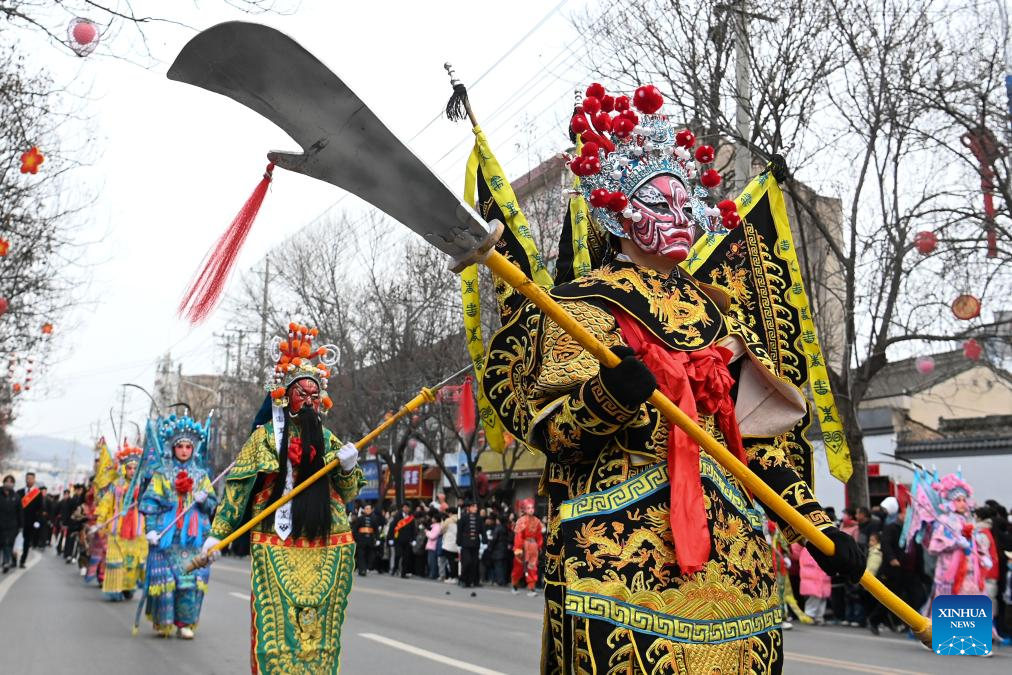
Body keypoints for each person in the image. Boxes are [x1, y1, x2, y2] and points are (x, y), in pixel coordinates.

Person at [480, 82, 865, 671]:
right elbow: (553, 433)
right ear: (621, 213)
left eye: (685, 204)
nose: (679, 216)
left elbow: (754, 442)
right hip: (619, 550)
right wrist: (608, 398)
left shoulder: (719, 315)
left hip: (733, 555)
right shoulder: (584, 306)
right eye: (660, 205)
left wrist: (813, 528)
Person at [202, 323, 364, 673]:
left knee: (319, 631)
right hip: (275, 540)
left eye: (313, 394)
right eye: (300, 393)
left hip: (326, 541)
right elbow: (238, 488)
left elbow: (349, 493)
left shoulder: (328, 437)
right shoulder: (264, 438)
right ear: (285, 395)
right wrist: (218, 533)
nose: (307, 400)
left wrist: (348, 468)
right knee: (278, 633)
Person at [139, 415, 217, 638]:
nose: (184, 450)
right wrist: (151, 530)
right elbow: (150, 503)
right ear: (173, 448)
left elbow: (212, 505)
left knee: (189, 582)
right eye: (180, 446)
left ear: (194, 449)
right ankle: (164, 622)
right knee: (166, 582)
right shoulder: (162, 475)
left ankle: (185, 623)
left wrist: (205, 500)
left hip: (194, 538)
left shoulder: (202, 476)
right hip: (166, 535)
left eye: (188, 446)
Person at [94, 442, 148, 601]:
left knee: (132, 564)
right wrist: (101, 519)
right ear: (124, 468)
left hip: (138, 530)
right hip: (118, 530)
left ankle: (128, 587)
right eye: (129, 468)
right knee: (117, 562)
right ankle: (114, 589)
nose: (132, 471)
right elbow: (106, 503)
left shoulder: (144, 486)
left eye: (134, 468)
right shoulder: (116, 486)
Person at [510, 499, 542, 596]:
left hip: (533, 547)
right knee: (518, 567)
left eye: (532, 507)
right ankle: (515, 585)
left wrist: (539, 546)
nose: (531, 509)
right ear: (524, 509)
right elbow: (518, 536)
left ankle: (532, 588)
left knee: (532, 567)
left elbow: (539, 536)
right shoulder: (521, 521)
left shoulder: (537, 521)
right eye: (528, 508)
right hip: (523, 546)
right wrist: (518, 549)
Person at [17, 473, 45, 567]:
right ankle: (13, 560)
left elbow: (40, 509)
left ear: (34, 480)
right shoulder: (19, 492)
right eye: (27, 478)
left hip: (30, 522)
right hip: (18, 521)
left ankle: (22, 561)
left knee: (26, 542)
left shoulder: (37, 494)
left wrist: (37, 521)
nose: (29, 480)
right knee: (15, 541)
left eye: (31, 478)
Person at [457, 500, 485, 588]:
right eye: (473, 506)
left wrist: (485, 539)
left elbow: (482, 531)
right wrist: (458, 541)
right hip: (465, 543)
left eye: (476, 507)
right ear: (469, 508)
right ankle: (462, 579)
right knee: (467, 562)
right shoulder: (464, 518)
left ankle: (471, 581)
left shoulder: (479, 518)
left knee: (474, 563)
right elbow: (459, 531)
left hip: (475, 543)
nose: (475, 508)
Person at [352, 503, 384, 576]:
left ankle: (366, 568)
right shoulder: (360, 519)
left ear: (371, 510)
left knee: (369, 555)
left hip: (370, 540)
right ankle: (361, 570)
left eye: (369, 509)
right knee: (361, 555)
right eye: (366, 509)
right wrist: (356, 538)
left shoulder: (374, 519)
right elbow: (355, 530)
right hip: (361, 540)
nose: (368, 510)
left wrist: (378, 539)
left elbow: (376, 530)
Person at [0, 475, 21, 573]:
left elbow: (20, 512)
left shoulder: (16, 497)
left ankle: (6, 562)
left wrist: (21, 525)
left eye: (11, 481)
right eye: (7, 481)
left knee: (7, 544)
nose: (8, 483)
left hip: (11, 525)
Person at [391, 503, 416, 578]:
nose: (406, 509)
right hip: (398, 539)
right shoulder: (397, 516)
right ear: (402, 508)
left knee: (406, 557)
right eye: (405, 507)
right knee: (398, 555)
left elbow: (413, 529)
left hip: (407, 540)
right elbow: (392, 527)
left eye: (407, 507)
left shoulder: (411, 518)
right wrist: (391, 538)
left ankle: (403, 573)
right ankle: (395, 568)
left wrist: (413, 539)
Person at [440, 509, 459, 582]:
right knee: (456, 561)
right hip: (457, 544)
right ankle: (456, 577)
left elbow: (442, 530)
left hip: (448, 544)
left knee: (451, 562)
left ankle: (452, 577)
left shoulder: (448, 520)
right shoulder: (461, 519)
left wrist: (442, 522)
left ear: (450, 513)